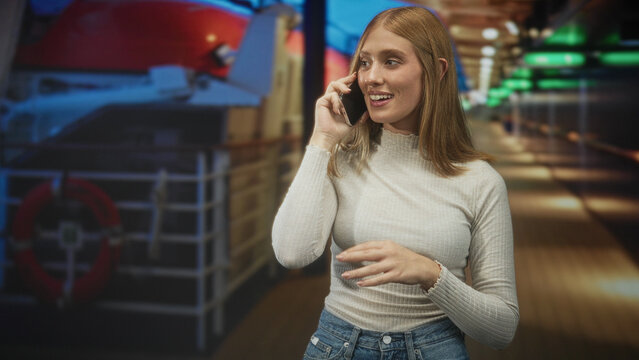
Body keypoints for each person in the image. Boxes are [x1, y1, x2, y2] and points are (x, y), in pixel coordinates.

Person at [272, 6, 518, 359]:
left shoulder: (480, 182)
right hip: (337, 346)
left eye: (391, 61)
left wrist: (431, 274)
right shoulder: (341, 157)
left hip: (433, 349)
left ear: (436, 70)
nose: (371, 77)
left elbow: (501, 329)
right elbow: (292, 253)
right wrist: (323, 140)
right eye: (365, 62)